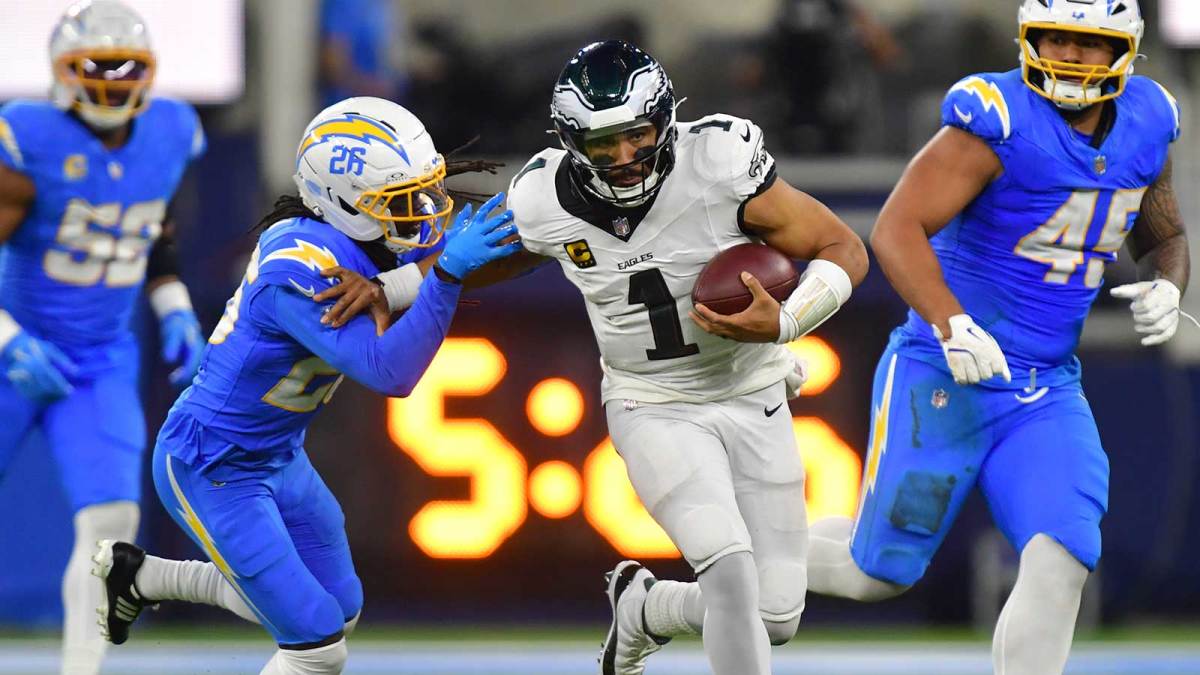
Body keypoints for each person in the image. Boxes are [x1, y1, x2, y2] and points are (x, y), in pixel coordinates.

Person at [805, 2, 1187, 674]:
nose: (1069, 56)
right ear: (1028, 40)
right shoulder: (996, 121)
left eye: (1087, 44)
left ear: (1124, 48)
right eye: (1055, 39)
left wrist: (1168, 283)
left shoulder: (1149, 120)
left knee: (1064, 552)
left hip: (1044, 387)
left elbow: (1164, 233)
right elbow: (895, 228)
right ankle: (714, 579)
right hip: (944, 369)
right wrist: (952, 321)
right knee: (878, 573)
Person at [92, 97, 521, 675]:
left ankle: (140, 576)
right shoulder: (295, 270)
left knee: (338, 609)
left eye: (422, 190)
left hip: (276, 454)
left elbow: (417, 269)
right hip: (212, 463)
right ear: (342, 203)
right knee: (316, 644)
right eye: (398, 200)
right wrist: (445, 276)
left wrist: (431, 271)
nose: (421, 212)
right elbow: (390, 372)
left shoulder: (360, 237)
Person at [509, 41, 866, 675]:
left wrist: (786, 321)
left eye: (637, 134)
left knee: (777, 616)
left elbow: (844, 247)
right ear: (572, 144)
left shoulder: (720, 165)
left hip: (752, 390)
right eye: (601, 144)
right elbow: (469, 265)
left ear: (665, 121)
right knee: (728, 569)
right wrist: (394, 285)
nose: (623, 156)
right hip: (654, 402)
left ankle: (644, 609)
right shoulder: (543, 200)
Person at [0, 2, 206, 672]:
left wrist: (172, 301)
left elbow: (153, 221)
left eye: (126, 68)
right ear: (64, 71)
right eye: (97, 67)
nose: (114, 81)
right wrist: (9, 342)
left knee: (111, 526)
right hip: (12, 344)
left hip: (101, 358)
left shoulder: (170, 130)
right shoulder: (30, 136)